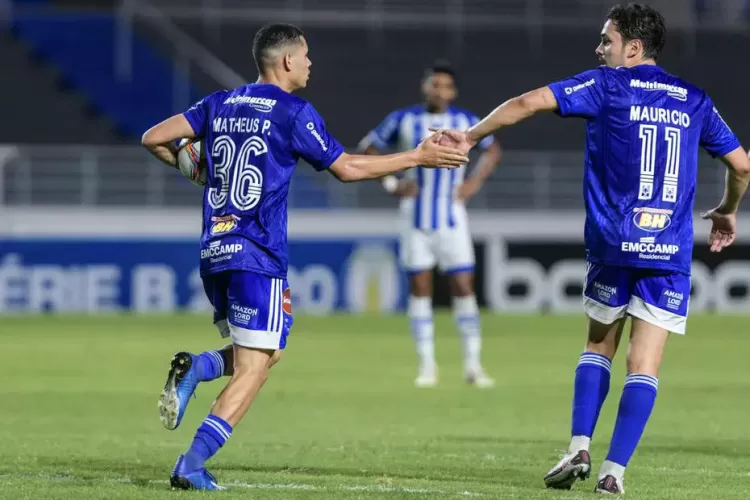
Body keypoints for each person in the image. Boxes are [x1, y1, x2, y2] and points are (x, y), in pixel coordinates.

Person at [435, 3, 750, 494]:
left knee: (599, 345)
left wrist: (471, 136)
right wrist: (729, 209)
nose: (599, 49)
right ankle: (613, 475)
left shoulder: (607, 86)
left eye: (607, 41)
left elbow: (527, 101)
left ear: (633, 48)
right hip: (667, 251)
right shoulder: (695, 100)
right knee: (644, 366)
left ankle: (579, 444)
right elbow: (742, 165)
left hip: (612, 243)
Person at [141, 23, 468, 490]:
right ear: (287, 61)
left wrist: (199, 171)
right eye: (307, 56)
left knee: (265, 353)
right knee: (255, 367)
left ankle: (199, 367)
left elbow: (153, 137)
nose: (312, 64)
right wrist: (416, 158)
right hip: (257, 252)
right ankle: (191, 463)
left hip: (215, 250)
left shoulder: (220, 103)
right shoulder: (293, 111)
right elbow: (348, 168)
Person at [358, 62, 501, 388]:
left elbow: (493, 151)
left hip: (452, 217)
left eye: (445, 86)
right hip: (414, 215)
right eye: (434, 84)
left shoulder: (466, 121)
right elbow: (368, 146)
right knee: (420, 289)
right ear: (425, 87)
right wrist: (392, 184)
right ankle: (427, 366)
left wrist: (473, 185)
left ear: (453, 91)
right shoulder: (403, 118)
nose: (440, 91)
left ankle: (473, 365)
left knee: (464, 288)